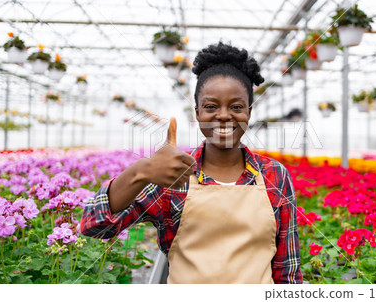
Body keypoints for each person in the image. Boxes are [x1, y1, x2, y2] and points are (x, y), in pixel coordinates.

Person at [80, 42, 303, 284]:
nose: (224, 115)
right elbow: (95, 226)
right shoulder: (173, 174)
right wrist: (141, 171)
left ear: (249, 112)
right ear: (197, 113)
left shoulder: (274, 175)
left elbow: (286, 271)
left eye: (236, 107)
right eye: (211, 107)